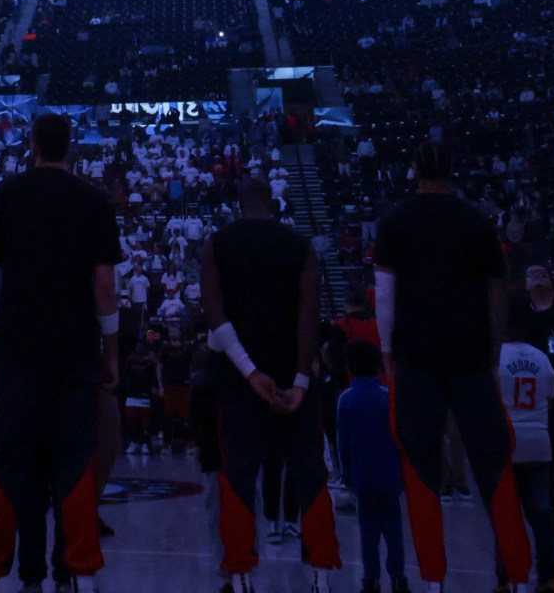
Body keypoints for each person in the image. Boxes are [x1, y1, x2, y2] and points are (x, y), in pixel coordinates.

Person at [0, 111, 120, 593]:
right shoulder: (94, 201)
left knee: (15, 462)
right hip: (75, 352)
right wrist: (111, 351)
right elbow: (104, 286)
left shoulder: (6, 195)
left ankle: (6, 573)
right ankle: (70, 571)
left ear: (31, 143)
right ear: (70, 147)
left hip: (19, 349)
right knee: (72, 464)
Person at [371, 139, 530, 593]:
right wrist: (494, 353)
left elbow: (385, 297)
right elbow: (498, 293)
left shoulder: (395, 222)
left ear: (415, 168)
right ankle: (517, 578)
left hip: (417, 360)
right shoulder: (476, 220)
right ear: (453, 170)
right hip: (472, 359)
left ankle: (435, 582)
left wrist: (387, 355)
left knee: (421, 471)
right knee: (495, 468)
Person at [202, 178, 339, 589]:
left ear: (239, 204)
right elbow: (309, 314)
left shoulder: (218, 244)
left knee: (239, 475)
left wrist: (249, 371)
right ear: (275, 204)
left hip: (240, 378)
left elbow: (214, 313)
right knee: (310, 473)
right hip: (293, 375)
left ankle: (242, 573)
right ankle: (320, 573)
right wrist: (298, 381)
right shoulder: (300, 246)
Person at [337, 340, 409, 593]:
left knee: (367, 532)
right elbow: (401, 439)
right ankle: (399, 580)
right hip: (389, 476)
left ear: (349, 367)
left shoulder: (345, 400)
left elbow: (342, 443)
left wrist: (346, 476)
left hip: (362, 477)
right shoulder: (388, 397)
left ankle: (371, 580)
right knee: (394, 529)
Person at [496, 338, 554, 593]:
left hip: (507, 443)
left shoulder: (497, 359)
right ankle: (550, 578)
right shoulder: (542, 358)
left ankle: (505, 579)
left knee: (504, 515)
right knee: (543, 517)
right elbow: (550, 400)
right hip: (538, 443)